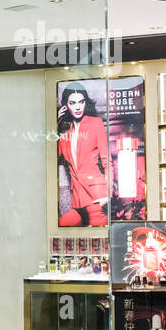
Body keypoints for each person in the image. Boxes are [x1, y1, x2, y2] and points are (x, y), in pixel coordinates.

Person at [57, 82, 108, 226]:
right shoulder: (66, 130)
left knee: (98, 243)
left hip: (96, 197)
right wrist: (55, 123)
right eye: (73, 103)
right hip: (78, 199)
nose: (78, 107)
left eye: (81, 102)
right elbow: (55, 154)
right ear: (66, 105)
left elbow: (106, 161)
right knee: (63, 226)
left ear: (86, 102)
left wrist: (107, 194)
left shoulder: (95, 123)